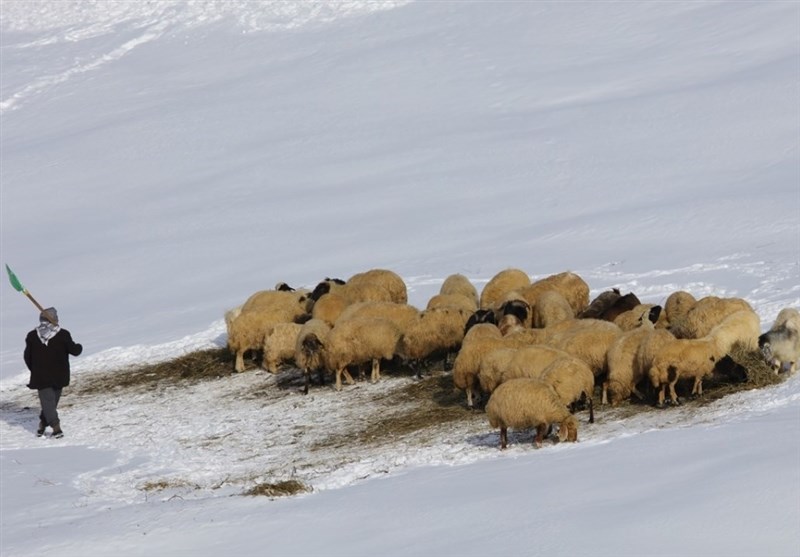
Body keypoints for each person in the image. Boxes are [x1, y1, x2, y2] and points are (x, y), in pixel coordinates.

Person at [23, 307, 82, 438]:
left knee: (50, 403)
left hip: (44, 375)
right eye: (56, 317)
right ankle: (56, 428)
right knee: (49, 401)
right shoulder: (63, 334)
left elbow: (27, 357)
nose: (58, 319)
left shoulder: (33, 336)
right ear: (53, 319)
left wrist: (35, 369)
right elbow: (75, 351)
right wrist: (79, 347)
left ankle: (42, 424)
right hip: (58, 375)